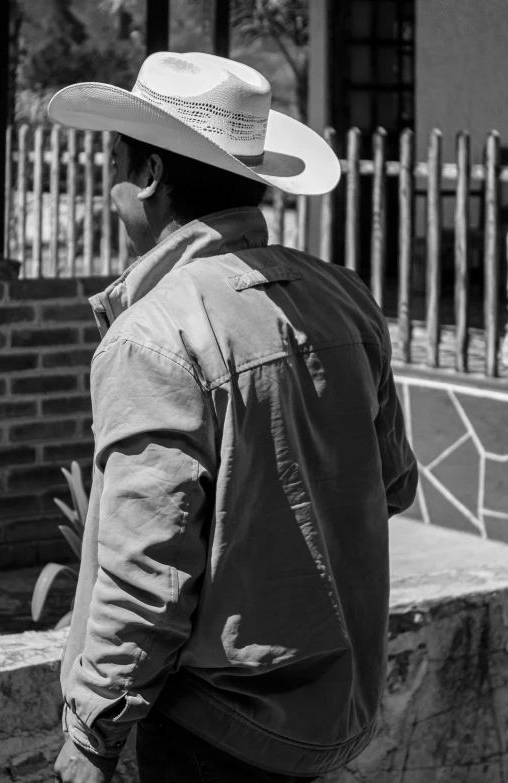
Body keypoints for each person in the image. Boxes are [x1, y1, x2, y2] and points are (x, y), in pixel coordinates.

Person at [50, 52, 418, 783]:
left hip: (212, 733)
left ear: (150, 176)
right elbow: (394, 484)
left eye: (116, 161)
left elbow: (145, 572)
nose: (111, 181)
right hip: (333, 716)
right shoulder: (343, 297)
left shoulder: (156, 333)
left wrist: (90, 735)